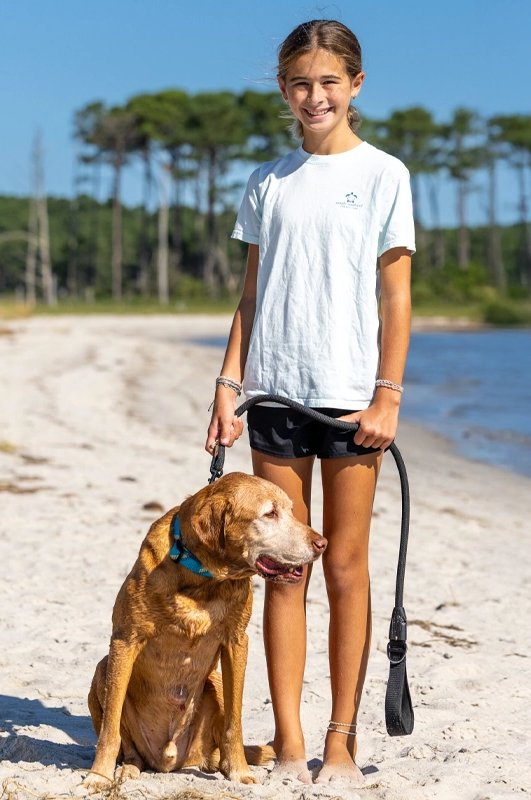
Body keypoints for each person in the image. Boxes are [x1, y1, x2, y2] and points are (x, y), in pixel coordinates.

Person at [205, 19, 415, 785]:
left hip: (354, 405)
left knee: (346, 568)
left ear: (356, 85)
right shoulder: (268, 180)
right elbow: (251, 295)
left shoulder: (385, 174)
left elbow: (396, 294)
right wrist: (229, 388)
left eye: (329, 82)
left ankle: (342, 741)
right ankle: (290, 741)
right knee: (283, 570)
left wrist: (387, 395)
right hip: (274, 399)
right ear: (283, 89)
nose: (314, 95)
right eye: (300, 83)